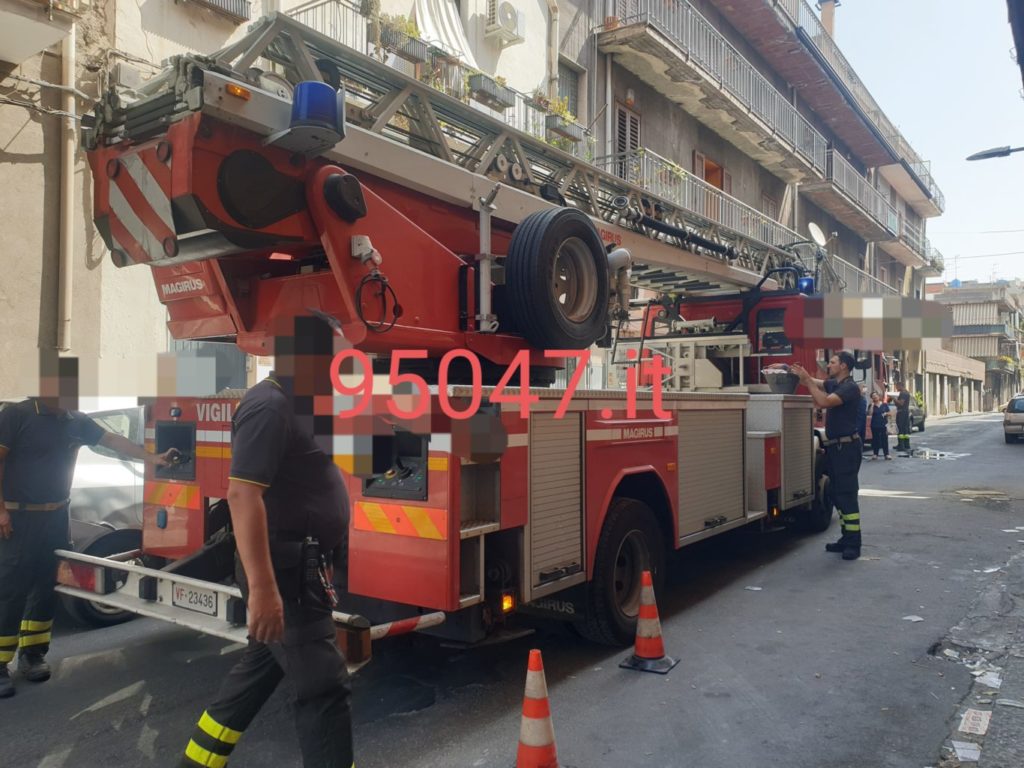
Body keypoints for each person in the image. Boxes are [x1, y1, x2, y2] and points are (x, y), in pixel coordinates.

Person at [179, 314, 354, 768]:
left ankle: (197, 762)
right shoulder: (268, 406)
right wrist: (263, 589)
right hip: (284, 571)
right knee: (323, 687)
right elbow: (243, 495)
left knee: (256, 674)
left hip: (301, 565)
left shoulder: (302, 403)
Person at [0, 354, 175, 699]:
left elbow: (112, 441)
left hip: (55, 517)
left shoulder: (74, 421)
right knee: (10, 591)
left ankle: (33, 656)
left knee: (46, 585)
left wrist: (152, 458)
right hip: (18, 519)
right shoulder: (16, 416)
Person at [789, 351, 864, 561]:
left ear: (844, 366)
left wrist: (809, 383)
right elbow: (817, 382)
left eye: (832, 363)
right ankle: (845, 538)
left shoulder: (849, 388)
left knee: (847, 497)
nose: (828, 365)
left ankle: (854, 543)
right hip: (836, 448)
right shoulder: (836, 384)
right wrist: (799, 373)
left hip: (846, 450)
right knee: (837, 495)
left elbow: (823, 402)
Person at [868, 392, 892, 460]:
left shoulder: (884, 405)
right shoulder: (871, 405)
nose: (875, 397)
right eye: (873, 396)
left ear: (878, 396)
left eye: (876, 396)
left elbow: (890, 413)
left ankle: (886, 454)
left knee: (884, 439)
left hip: (883, 425)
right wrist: (872, 405)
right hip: (874, 425)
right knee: (875, 440)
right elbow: (870, 413)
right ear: (872, 398)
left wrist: (886, 413)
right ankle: (875, 454)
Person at [894, 383, 912, 455]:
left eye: (896, 386)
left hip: (901, 413)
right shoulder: (906, 393)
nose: (896, 388)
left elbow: (901, 403)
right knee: (905, 429)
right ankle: (906, 445)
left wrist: (893, 398)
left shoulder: (903, 393)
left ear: (900, 386)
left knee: (900, 428)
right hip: (905, 412)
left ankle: (901, 446)